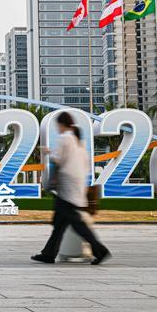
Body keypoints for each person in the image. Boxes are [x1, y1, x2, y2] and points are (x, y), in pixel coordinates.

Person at [31, 111, 111, 265]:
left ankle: (100, 251)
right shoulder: (79, 142)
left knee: (76, 224)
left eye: (58, 125)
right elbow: (84, 165)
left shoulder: (65, 138)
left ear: (62, 124)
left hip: (67, 187)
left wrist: (48, 153)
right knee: (59, 223)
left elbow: (59, 160)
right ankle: (48, 254)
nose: (58, 128)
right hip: (76, 185)